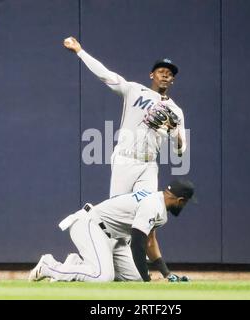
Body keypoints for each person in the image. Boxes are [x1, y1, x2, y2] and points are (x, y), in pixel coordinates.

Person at [63, 37, 187, 198]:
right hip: (125, 159)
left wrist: (174, 134)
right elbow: (106, 75)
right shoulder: (134, 90)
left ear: (172, 81)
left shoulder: (175, 110)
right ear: (152, 75)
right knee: (118, 211)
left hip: (149, 164)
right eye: (161, 72)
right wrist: (80, 51)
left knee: (146, 208)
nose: (165, 76)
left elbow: (181, 150)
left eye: (169, 74)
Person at [28, 179, 195, 282]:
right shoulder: (153, 205)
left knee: (135, 278)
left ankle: (78, 264)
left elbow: (150, 242)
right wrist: (148, 281)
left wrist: (167, 274)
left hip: (113, 236)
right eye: (185, 202)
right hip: (91, 225)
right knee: (102, 276)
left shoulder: (157, 202)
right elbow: (137, 243)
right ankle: (49, 266)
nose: (184, 206)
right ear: (180, 200)